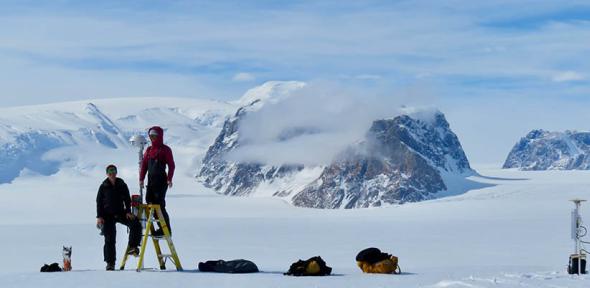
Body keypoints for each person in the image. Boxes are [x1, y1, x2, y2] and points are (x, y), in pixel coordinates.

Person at [96, 164, 142, 271]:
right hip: (107, 215)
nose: (112, 173)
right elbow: (99, 202)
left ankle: (133, 247)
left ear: (116, 172)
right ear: (107, 174)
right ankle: (110, 263)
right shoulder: (103, 186)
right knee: (109, 239)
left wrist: (128, 212)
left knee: (135, 224)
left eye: (114, 171)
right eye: (110, 172)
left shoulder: (122, 184)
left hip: (121, 213)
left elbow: (127, 199)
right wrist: (99, 216)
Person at [140, 126, 175, 236]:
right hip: (151, 181)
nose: (152, 137)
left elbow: (171, 165)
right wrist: (141, 179)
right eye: (151, 135)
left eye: (154, 135)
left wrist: (169, 179)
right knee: (150, 203)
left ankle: (166, 230)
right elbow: (144, 166)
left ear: (160, 136)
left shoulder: (165, 149)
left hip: (161, 181)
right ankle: (161, 229)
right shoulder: (149, 150)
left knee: (159, 205)